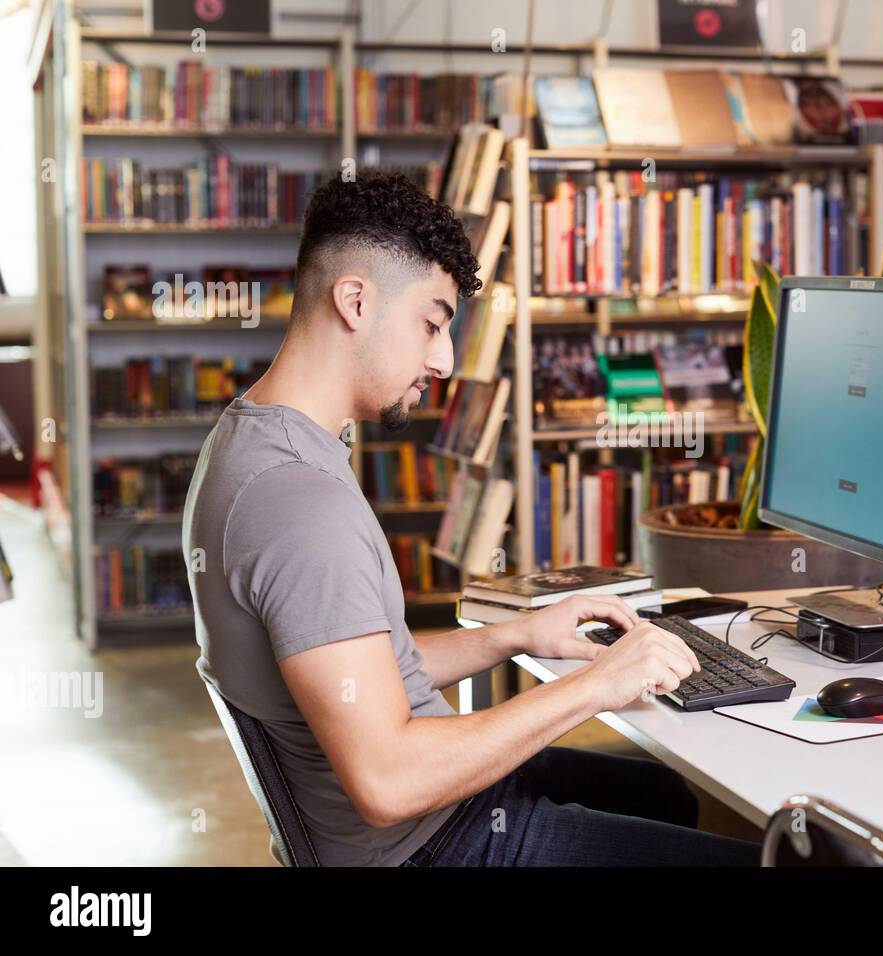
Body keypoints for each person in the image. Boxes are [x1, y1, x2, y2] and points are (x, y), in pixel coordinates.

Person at [182, 172, 761, 867]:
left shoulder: (254, 442)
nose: (445, 359)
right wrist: (598, 684)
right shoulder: (298, 504)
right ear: (355, 301)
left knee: (665, 793)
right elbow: (389, 782)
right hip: (427, 843)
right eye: (431, 322)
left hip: (423, 820)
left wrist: (514, 635)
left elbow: (360, 671)